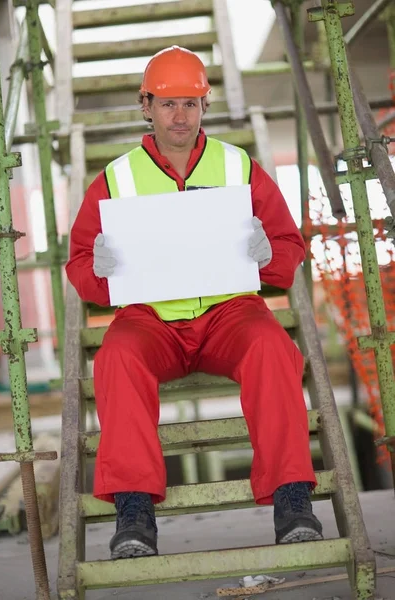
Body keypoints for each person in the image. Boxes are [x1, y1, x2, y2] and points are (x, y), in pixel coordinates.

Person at [66, 45, 323, 560]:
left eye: (190, 102)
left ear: (205, 105)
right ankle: (135, 510)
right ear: (145, 106)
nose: (179, 115)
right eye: (167, 103)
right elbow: (78, 264)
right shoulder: (116, 178)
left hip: (231, 312)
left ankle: (293, 500)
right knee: (115, 358)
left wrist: (269, 254)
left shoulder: (239, 166)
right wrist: (100, 269)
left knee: (274, 348)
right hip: (150, 318)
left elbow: (288, 243)